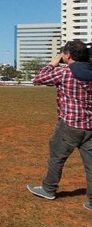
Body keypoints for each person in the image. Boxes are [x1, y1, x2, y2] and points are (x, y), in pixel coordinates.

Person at [27, 40, 92, 211]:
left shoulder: (64, 72)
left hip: (69, 125)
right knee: (91, 165)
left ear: (68, 55)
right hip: (90, 125)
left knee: (57, 158)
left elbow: (38, 79)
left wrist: (52, 63)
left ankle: (49, 189)